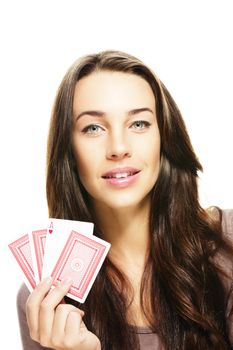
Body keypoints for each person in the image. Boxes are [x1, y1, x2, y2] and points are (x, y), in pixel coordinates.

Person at [17, 50, 233, 350]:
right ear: (69, 148)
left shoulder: (228, 242)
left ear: (164, 137)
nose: (118, 148)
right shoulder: (45, 299)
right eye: (93, 128)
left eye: (139, 124)